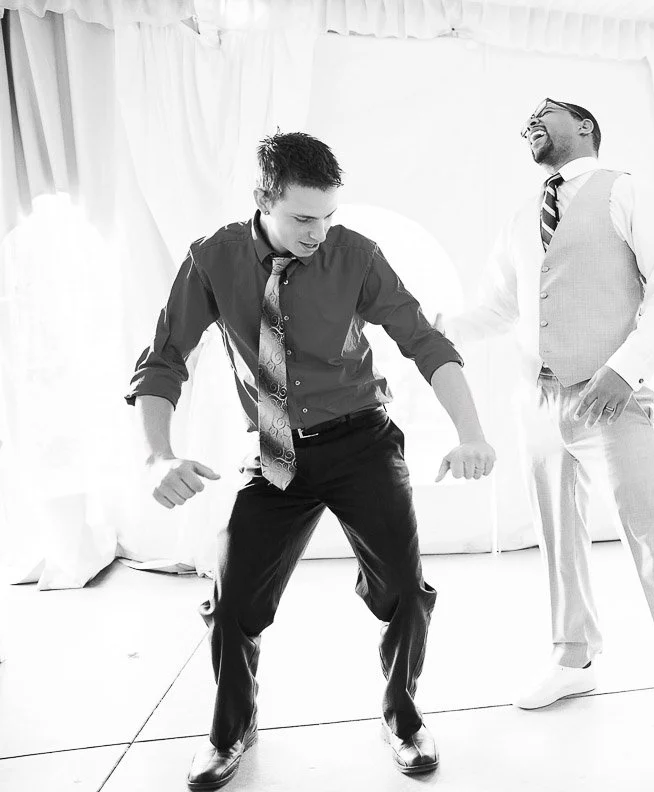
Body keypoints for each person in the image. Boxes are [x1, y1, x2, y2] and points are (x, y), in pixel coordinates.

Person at [126, 132, 496, 790]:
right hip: (274, 451)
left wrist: (471, 431)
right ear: (264, 201)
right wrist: (158, 455)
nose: (319, 232)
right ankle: (231, 728)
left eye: (328, 215)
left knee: (407, 593)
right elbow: (163, 360)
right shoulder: (213, 259)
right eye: (302, 218)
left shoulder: (355, 255)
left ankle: (403, 718)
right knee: (233, 598)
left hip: (361, 440)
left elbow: (424, 341)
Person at [438, 98, 654, 766]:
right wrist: (440, 325)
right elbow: (499, 306)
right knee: (559, 542)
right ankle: (573, 656)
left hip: (611, 399)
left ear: (583, 126)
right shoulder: (522, 216)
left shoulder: (627, 192)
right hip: (539, 402)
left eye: (544, 113)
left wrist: (625, 371)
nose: (530, 121)